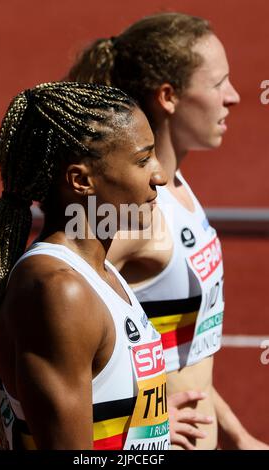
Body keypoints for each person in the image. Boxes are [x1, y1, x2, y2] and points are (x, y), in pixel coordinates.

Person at [66, 12, 269, 450]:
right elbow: (46, 325)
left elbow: (182, 359)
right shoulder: (136, 216)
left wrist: (236, 436)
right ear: (169, 96)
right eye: (218, 84)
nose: (233, 97)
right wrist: (135, 428)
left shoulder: (175, 191)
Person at [0, 81, 171, 450]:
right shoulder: (59, 291)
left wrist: (150, 432)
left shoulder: (100, 271)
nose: (159, 176)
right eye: (143, 159)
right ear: (81, 180)